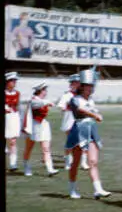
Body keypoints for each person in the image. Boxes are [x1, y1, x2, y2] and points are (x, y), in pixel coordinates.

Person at [64, 68, 111, 200]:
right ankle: (72, 189)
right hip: (79, 130)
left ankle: (98, 189)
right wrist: (94, 114)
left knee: (93, 161)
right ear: (82, 87)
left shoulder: (91, 100)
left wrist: (95, 114)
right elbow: (80, 109)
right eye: (88, 86)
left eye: (92, 86)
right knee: (76, 162)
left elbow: (93, 110)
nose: (90, 89)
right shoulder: (75, 99)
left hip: (91, 131)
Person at [21, 81, 59, 176]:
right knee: (29, 148)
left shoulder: (43, 100)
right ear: (40, 91)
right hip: (33, 126)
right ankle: (26, 166)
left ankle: (50, 169)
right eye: (44, 90)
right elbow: (39, 104)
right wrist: (49, 102)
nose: (46, 92)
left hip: (43, 125)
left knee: (46, 148)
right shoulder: (33, 100)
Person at [57, 74, 89, 171]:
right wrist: (69, 106)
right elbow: (61, 107)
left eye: (79, 83)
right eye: (74, 83)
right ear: (71, 84)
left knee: (83, 142)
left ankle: (83, 162)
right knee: (70, 142)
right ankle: (68, 162)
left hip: (82, 119)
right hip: (70, 119)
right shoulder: (67, 95)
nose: (77, 85)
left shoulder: (84, 95)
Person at [5, 72, 22, 171]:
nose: (14, 83)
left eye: (15, 81)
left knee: (13, 141)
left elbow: (18, 106)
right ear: (7, 82)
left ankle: (13, 163)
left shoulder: (17, 93)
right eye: (12, 81)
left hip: (14, 118)